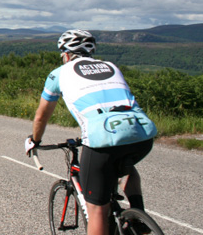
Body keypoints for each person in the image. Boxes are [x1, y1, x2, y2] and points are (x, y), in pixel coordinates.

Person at [25, 30, 156, 235]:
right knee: (126, 165)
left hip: (101, 138)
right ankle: (139, 216)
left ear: (66, 54)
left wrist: (35, 140)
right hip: (142, 133)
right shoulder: (111, 66)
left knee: (96, 209)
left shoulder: (58, 73)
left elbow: (41, 116)